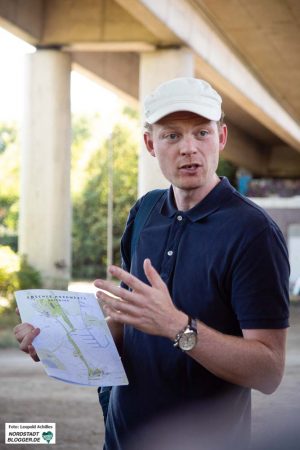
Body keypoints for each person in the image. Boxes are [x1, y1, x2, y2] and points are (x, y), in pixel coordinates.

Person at [14, 78, 290, 450]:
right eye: (172, 136)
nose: (189, 149)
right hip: (123, 438)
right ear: (150, 143)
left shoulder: (254, 232)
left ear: (221, 137)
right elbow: (132, 327)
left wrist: (177, 326)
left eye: (202, 133)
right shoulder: (144, 212)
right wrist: (58, 340)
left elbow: (268, 371)